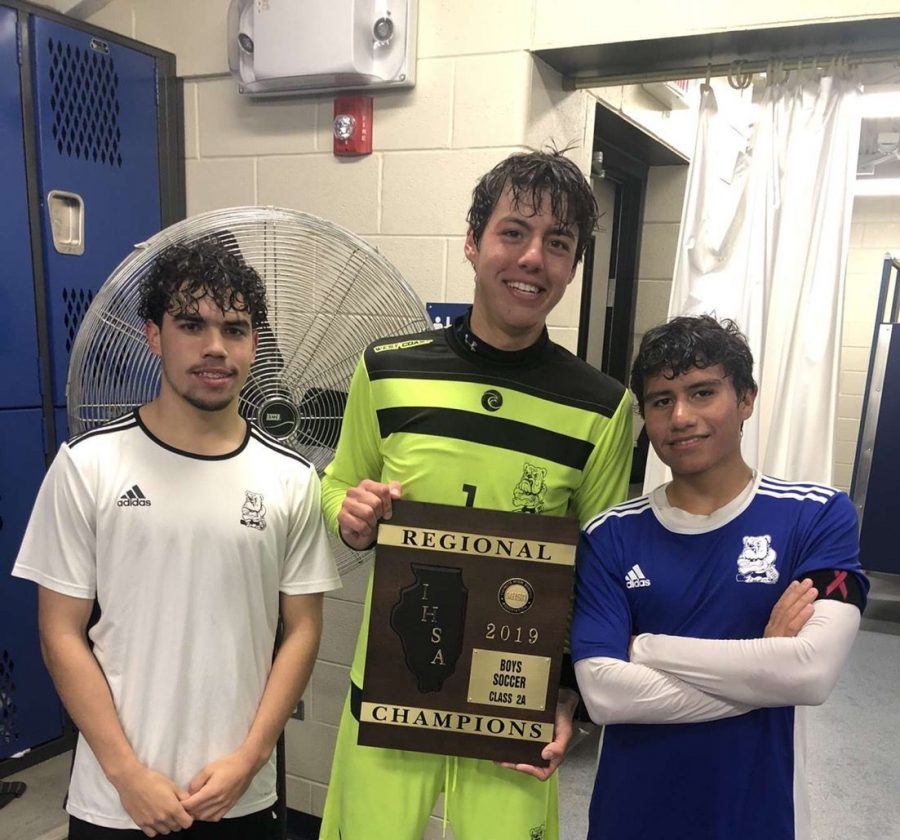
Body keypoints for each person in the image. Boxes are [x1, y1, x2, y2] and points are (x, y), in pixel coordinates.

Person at [318, 148, 634, 840]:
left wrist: (569, 693)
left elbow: (600, 570)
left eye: (558, 244)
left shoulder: (603, 408)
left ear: (573, 267)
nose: (532, 259)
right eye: (513, 232)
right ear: (472, 242)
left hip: (512, 695)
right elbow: (339, 482)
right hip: (394, 682)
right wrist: (350, 513)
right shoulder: (389, 370)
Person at [12, 237, 341, 838]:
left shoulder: (291, 479)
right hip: (117, 800)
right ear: (153, 335)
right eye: (192, 324)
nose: (215, 347)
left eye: (235, 329)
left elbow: (303, 629)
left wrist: (250, 758)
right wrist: (126, 773)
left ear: (255, 345)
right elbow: (59, 631)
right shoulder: (88, 466)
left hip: (240, 794)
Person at [571, 314, 868, 840]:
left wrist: (647, 649)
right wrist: (763, 664)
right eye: (662, 401)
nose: (681, 416)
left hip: (750, 813)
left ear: (746, 399)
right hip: (630, 815)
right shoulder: (610, 534)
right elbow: (604, 696)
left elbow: (809, 675)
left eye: (702, 392)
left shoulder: (817, 515)